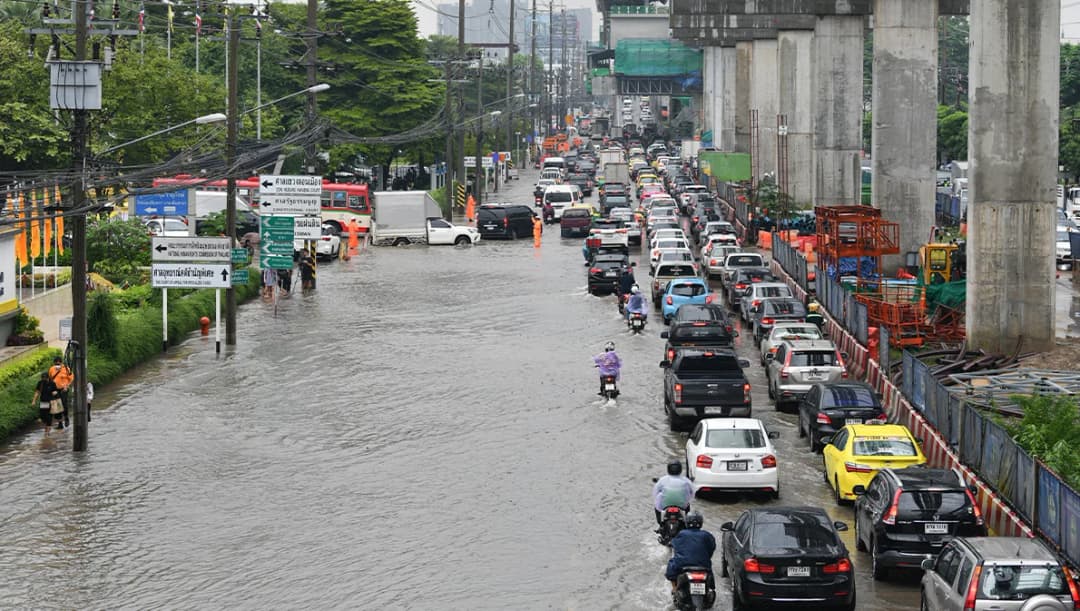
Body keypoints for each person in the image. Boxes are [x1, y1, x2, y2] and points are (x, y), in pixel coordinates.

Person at [665, 511, 716, 593]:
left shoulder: (681, 534)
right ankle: (710, 589)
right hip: (703, 565)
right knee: (710, 574)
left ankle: (674, 588)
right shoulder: (707, 535)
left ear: (687, 522)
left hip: (683, 565)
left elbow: (675, 546)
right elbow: (712, 548)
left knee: (671, 566)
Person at [653, 461, 694, 526]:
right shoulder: (686, 480)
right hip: (682, 506)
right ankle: (685, 522)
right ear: (680, 469)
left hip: (664, 507)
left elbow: (655, 493)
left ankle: (660, 522)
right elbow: (692, 493)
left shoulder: (662, 480)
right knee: (688, 503)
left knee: (658, 499)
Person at [48, 356, 73, 428]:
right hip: (55, 390)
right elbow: (50, 379)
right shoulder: (51, 369)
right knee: (56, 406)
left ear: (61, 363)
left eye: (58, 364)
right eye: (56, 364)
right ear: (54, 363)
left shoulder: (66, 369)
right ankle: (60, 424)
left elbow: (71, 379)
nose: (57, 365)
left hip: (64, 389)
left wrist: (66, 386)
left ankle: (66, 418)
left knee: (64, 404)